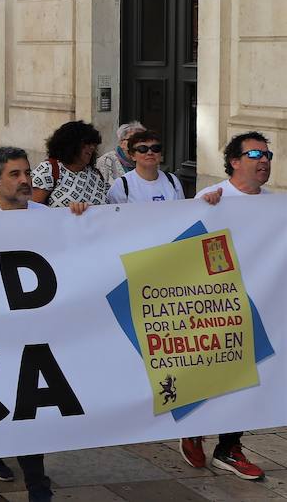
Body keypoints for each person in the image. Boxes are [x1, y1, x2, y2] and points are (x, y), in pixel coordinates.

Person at [0, 146, 86, 502]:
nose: (24, 181)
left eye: (27, 173)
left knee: (29, 407)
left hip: (34, 331)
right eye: (15, 175)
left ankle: (37, 483)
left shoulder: (48, 216)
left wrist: (81, 220)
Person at [180, 131, 272, 481]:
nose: (263, 161)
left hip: (258, 303)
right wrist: (204, 210)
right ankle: (194, 428)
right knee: (210, 372)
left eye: (267, 155)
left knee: (249, 375)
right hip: (215, 304)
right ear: (234, 161)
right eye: (254, 155)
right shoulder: (212, 197)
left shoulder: (274, 203)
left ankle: (229, 446)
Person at [31, 120, 107, 207]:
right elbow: (33, 209)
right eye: (87, 143)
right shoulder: (49, 170)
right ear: (71, 145)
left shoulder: (96, 175)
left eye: (94, 144)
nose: (92, 147)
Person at [105, 130, 183, 204]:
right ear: (132, 155)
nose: (150, 152)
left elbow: (181, 212)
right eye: (143, 149)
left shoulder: (172, 181)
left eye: (155, 148)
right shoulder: (122, 185)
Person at [94, 120, 144, 186]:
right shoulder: (106, 161)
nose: (139, 143)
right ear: (121, 143)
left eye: (143, 140)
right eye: (133, 139)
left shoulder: (146, 159)